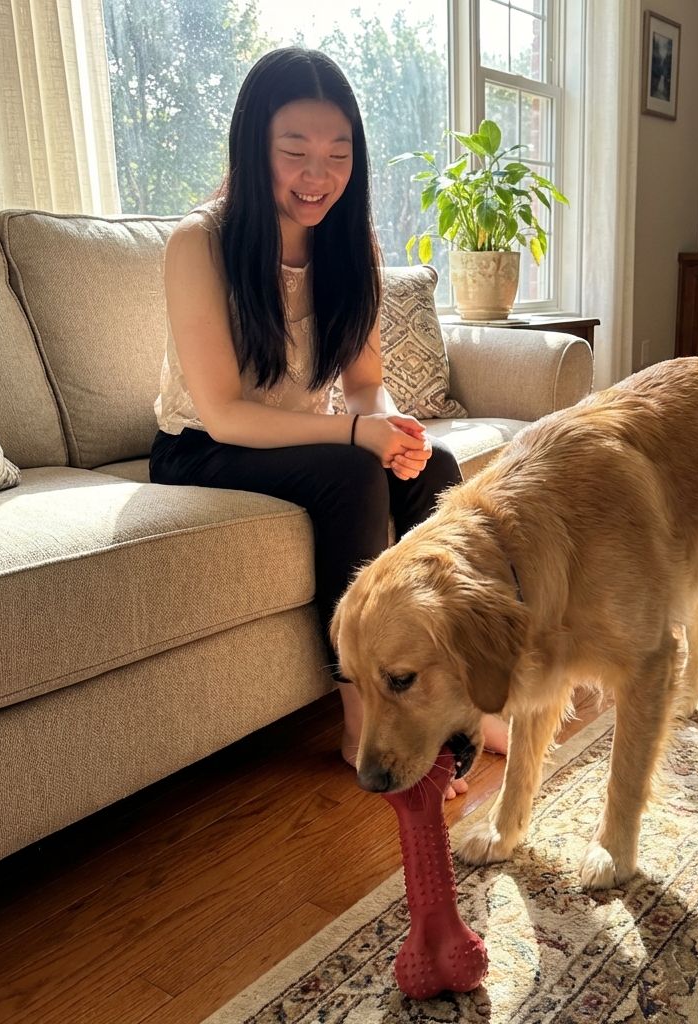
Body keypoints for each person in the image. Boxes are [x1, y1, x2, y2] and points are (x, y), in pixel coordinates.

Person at [149, 48, 508, 796]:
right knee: (352, 473)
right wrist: (353, 435)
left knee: (434, 466)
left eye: (338, 154)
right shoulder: (200, 243)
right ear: (255, 148)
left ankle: (453, 697)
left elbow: (366, 384)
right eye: (295, 153)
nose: (319, 176)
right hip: (203, 448)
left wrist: (390, 429)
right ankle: (361, 725)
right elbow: (222, 412)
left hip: (305, 440)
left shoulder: (354, 244)